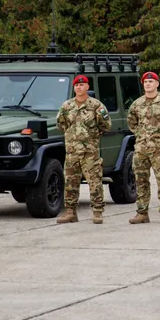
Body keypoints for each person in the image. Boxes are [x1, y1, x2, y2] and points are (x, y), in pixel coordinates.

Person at [126, 71, 160, 225]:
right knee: (141, 181)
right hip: (141, 150)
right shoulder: (137, 104)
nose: (148, 84)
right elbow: (131, 122)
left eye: (151, 82)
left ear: (157, 84)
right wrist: (140, 134)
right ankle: (142, 213)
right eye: (145, 82)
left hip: (159, 151)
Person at [55, 74, 112, 224]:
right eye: (76, 85)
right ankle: (70, 212)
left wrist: (91, 136)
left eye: (82, 85)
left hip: (90, 153)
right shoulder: (67, 106)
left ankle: (98, 212)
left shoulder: (96, 106)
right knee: (70, 182)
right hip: (72, 151)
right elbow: (61, 125)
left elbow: (106, 125)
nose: (79, 87)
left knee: (94, 182)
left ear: (87, 87)